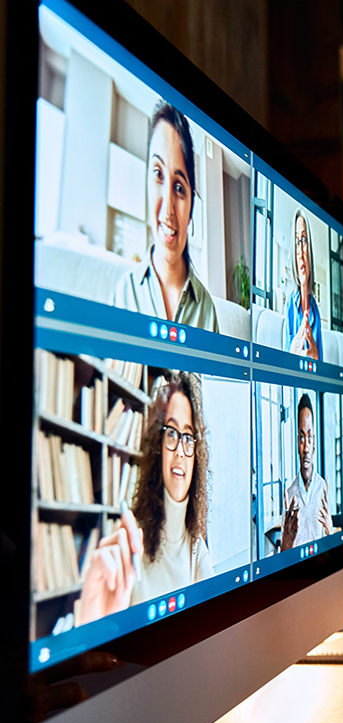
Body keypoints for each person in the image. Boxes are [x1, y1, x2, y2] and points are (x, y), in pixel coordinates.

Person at [79, 371, 214, 623]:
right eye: (171, 433)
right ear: (157, 444)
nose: (180, 453)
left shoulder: (196, 548)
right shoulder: (130, 540)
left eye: (188, 437)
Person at [113, 100, 219, 333]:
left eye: (180, 187)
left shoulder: (207, 311)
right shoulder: (125, 292)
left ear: (191, 208)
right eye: (158, 174)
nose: (168, 209)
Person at [280, 393, 331, 551]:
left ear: (314, 443)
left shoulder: (323, 487)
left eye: (310, 438)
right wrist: (285, 544)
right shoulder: (290, 495)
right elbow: (284, 553)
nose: (306, 448)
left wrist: (330, 530)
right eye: (302, 438)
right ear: (297, 444)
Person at [285, 210, 324, 361]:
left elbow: (321, 368)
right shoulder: (289, 304)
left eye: (304, 240)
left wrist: (316, 358)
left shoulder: (315, 311)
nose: (300, 252)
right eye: (296, 243)